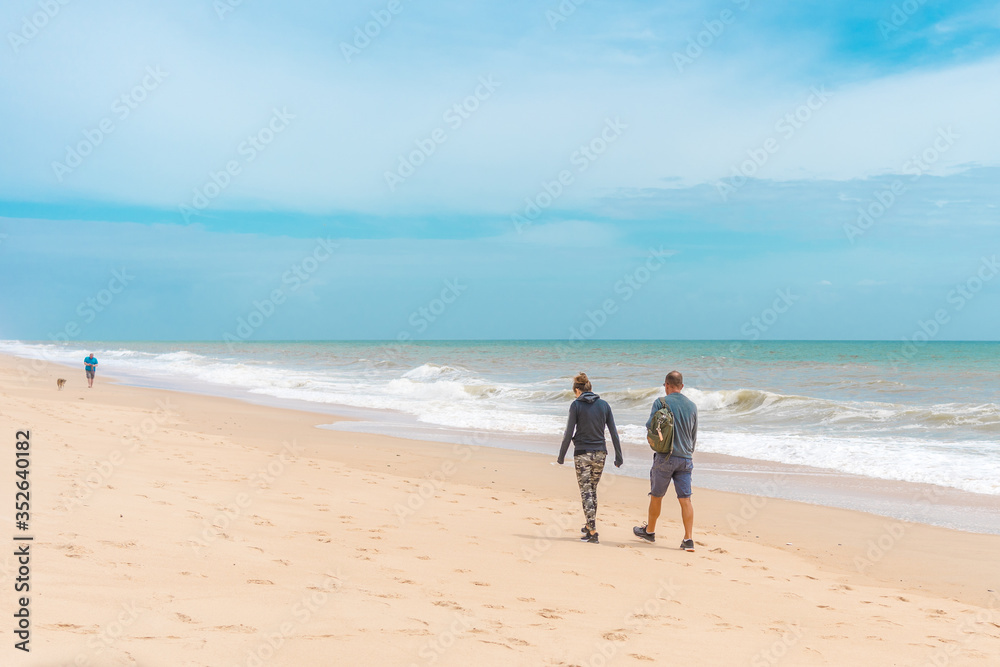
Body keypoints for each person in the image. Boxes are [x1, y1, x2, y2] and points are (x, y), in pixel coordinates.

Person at [634, 371, 699, 551]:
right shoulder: (692, 406)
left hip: (665, 457)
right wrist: (687, 453)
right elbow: (693, 435)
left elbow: (650, 426)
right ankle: (688, 539)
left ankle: (650, 531)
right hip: (686, 458)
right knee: (685, 499)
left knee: (657, 496)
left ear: (667, 385)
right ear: (682, 386)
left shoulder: (660, 402)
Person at [557, 372, 623, 544]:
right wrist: (619, 456)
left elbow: (568, 433)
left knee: (586, 491)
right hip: (601, 453)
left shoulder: (576, 405)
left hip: (582, 453)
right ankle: (588, 526)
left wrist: (561, 456)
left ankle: (593, 532)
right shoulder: (604, 405)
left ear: (577, 390)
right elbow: (614, 433)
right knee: (592, 490)